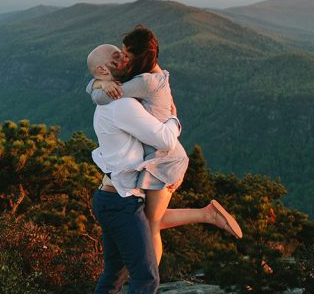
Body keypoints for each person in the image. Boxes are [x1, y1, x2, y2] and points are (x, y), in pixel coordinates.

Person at [87, 26, 242, 270]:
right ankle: (206, 214)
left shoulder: (145, 81)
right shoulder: (152, 76)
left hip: (165, 159)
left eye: (126, 54)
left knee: (150, 226)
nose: (123, 59)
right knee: (149, 220)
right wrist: (98, 82)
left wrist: (100, 86)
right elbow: (108, 86)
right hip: (160, 157)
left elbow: (104, 98)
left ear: (140, 57)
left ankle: (150, 288)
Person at [81, 43, 180, 294]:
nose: (125, 59)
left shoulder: (113, 98)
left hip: (108, 197)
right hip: (122, 202)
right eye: (117, 57)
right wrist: (173, 116)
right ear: (104, 72)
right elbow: (164, 139)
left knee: (114, 273)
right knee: (146, 278)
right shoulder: (122, 104)